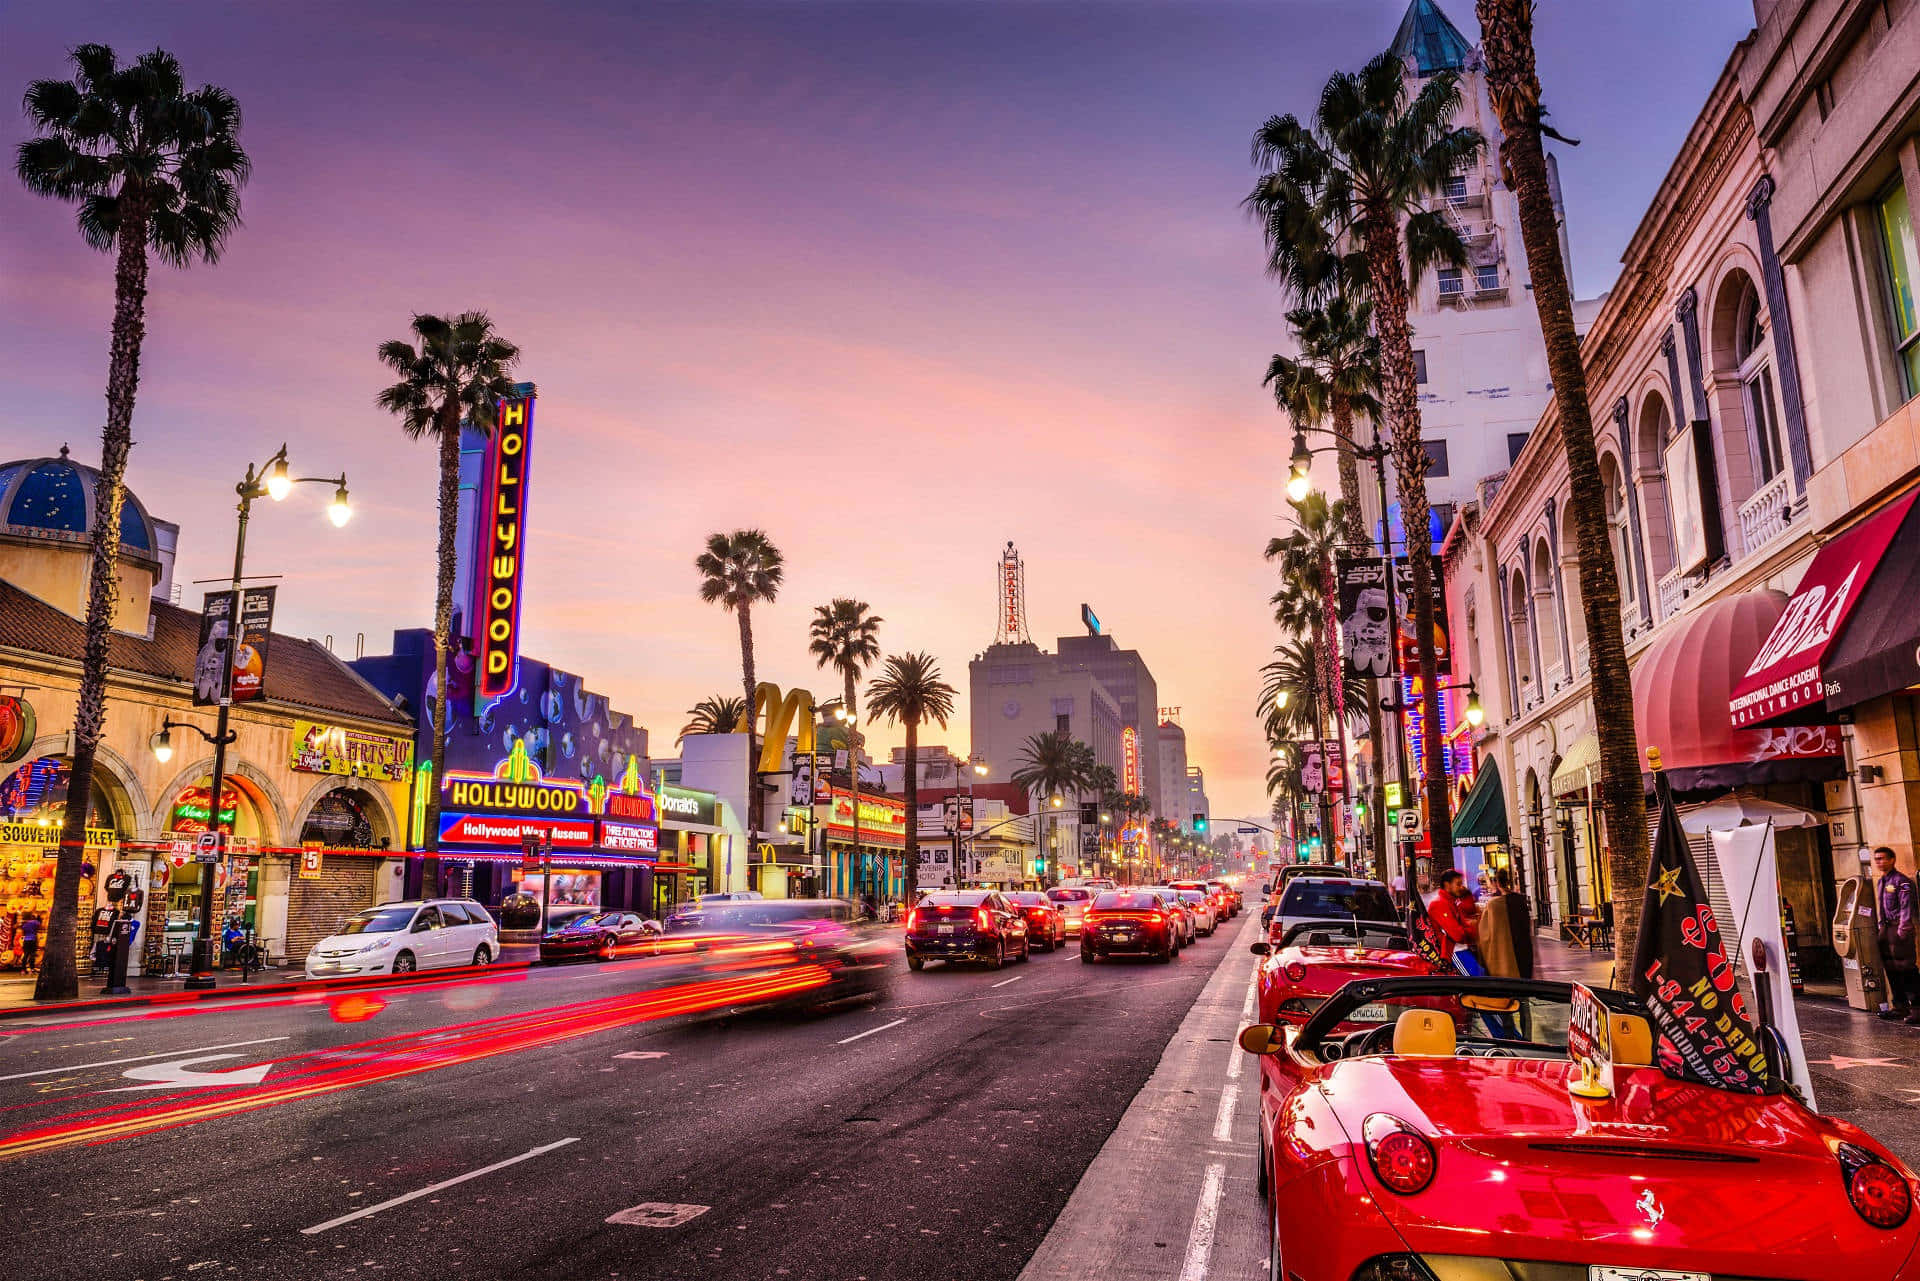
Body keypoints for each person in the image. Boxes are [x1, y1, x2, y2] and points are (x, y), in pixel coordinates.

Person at [1872, 846, 1920, 1023]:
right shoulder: (1881, 882)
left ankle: (1917, 1008)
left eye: (1883, 858)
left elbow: (1907, 908)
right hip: (1885, 930)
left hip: (1899, 929)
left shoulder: (1902, 882)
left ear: (1892, 860)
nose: (1879, 862)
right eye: (1877, 859)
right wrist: (1880, 929)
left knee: (1907, 969)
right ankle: (1899, 1006)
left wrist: (1902, 930)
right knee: (1891, 969)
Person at [1426, 869, 1478, 964]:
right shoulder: (1439, 904)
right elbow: (1457, 935)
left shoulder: (1452, 902)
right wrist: (1471, 928)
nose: (1461, 887)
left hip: (1461, 948)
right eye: (1458, 884)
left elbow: (1463, 926)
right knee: (1476, 977)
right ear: (1447, 885)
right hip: (1452, 952)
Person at [1497, 868, 1534, 979]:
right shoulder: (1520, 898)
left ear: (1498, 883)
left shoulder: (1498, 902)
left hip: (1509, 943)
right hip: (1524, 941)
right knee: (1525, 972)